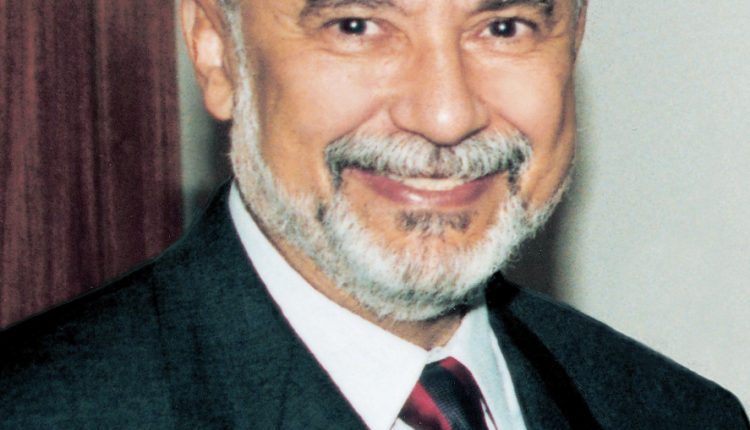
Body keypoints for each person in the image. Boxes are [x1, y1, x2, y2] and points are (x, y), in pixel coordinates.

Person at [1, 0, 748, 428]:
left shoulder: (678, 415)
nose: (447, 114)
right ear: (218, 53)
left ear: (575, 42)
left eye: (504, 26)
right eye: (356, 24)